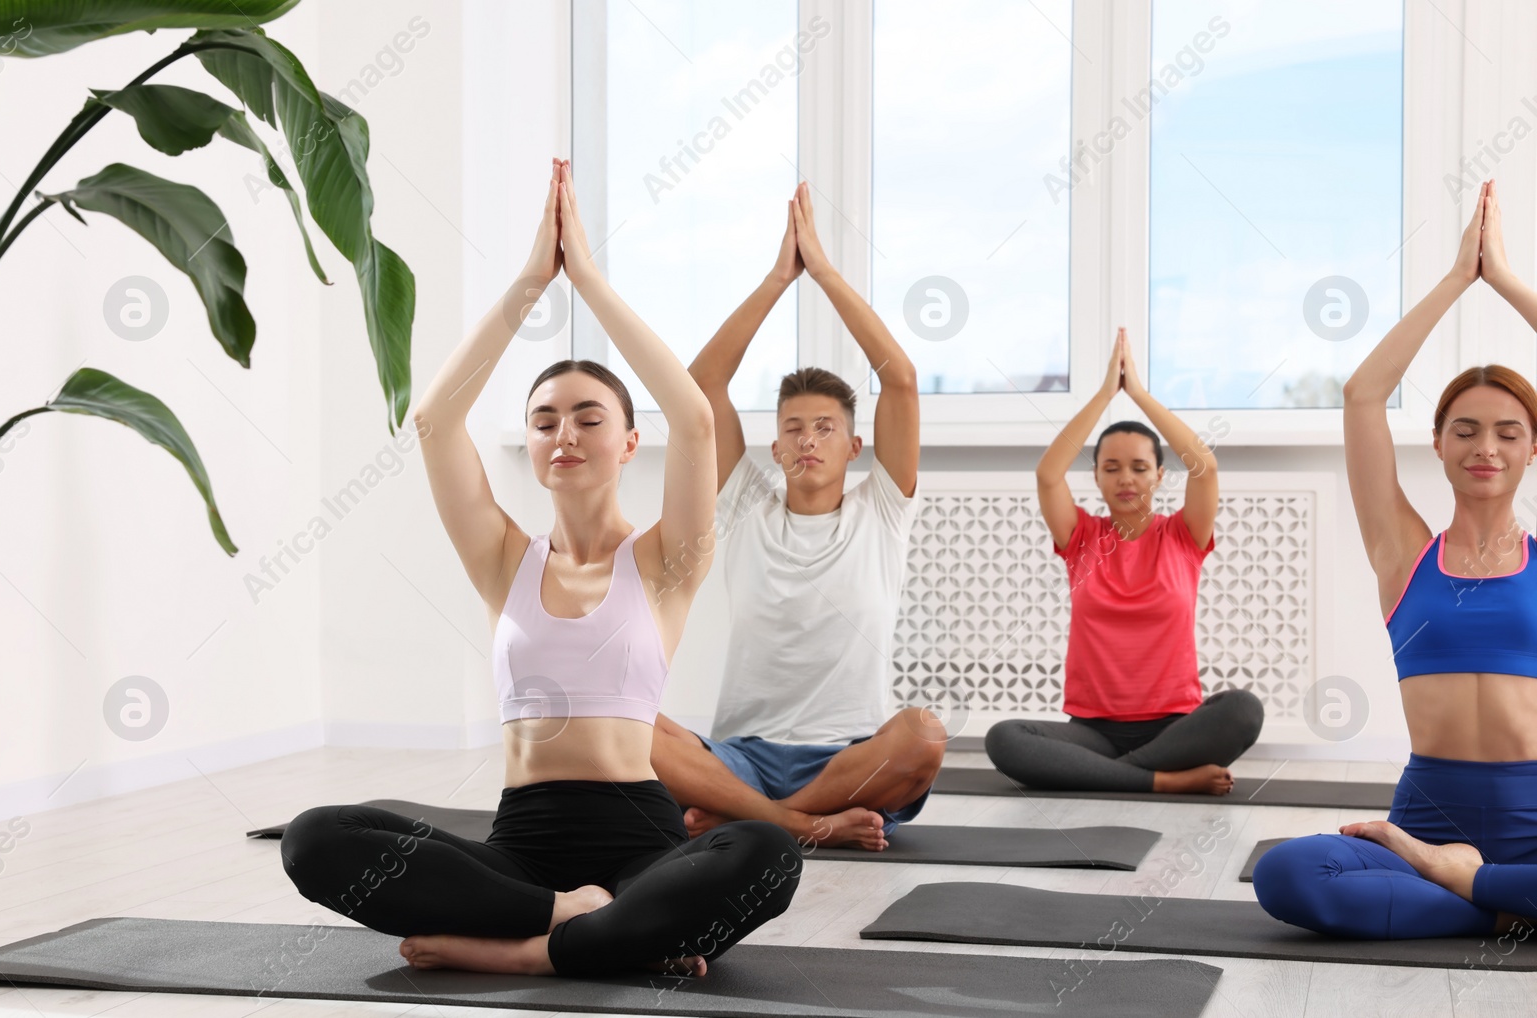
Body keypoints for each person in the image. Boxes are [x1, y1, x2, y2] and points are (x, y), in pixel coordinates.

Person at [278, 159, 801, 978]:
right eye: (546, 419)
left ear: (629, 444)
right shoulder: (504, 560)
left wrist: (585, 280)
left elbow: (697, 419)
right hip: (521, 847)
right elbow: (435, 420)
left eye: (589, 418)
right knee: (315, 839)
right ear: (531, 443)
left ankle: (525, 955)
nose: (565, 433)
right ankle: (588, 931)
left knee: (767, 853)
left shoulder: (665, 562)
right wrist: (531, 284)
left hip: (640, 839)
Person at [1253, 179, 1537, 938]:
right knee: (1287, 874)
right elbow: (1363, 396)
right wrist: (1455, 281)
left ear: (1533, 448)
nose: (1486, 447)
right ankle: (1500, 900)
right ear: (1439, 443)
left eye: (1509, 432)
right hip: (1425, 824)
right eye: (1466, 429)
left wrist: (1504, 279)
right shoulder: (1405, 553)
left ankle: (1475, 887)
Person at [649, 181, 944, 852]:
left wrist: (826, 272)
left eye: (825, 427)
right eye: (794, 429)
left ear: (853, 446)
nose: (809, 439)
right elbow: (698, 386)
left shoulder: (882, 511)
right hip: (743, 757)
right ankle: (801, 826)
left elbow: (899, 378)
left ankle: (750, 820)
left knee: (924, 735)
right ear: (775, 447)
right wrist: (779, 277)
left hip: (850, 760)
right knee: (624, 724)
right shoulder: (746, 504)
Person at [983, 327, 1264, 794]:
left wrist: (1138, 394)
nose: (1125, 479)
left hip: (1176, 729)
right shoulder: (1081, 539)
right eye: (1111, 468)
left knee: (1243, 709)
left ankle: (1110, 777)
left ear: (1158, 474)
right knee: (1004, 739)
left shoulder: (1183, 535)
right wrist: (1103, 396)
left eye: (1138, 467)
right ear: (1095, 476)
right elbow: (1048, 473)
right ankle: (1160, 781)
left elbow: (1205, 466)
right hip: (1092, 732)